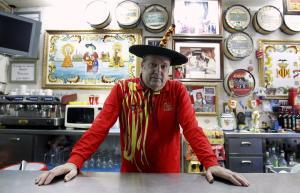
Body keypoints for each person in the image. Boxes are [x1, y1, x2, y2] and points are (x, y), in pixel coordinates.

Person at [35, 28, 249, 187]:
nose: (158, 71)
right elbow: (100, 127)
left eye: (164, 66)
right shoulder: (122, 89)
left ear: (169, 70)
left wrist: (211, 163)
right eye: (153, 65)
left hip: (169, 176)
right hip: (130, 176)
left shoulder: (177, 91)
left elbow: (192, 130)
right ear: (142, 66)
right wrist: (75, 161)